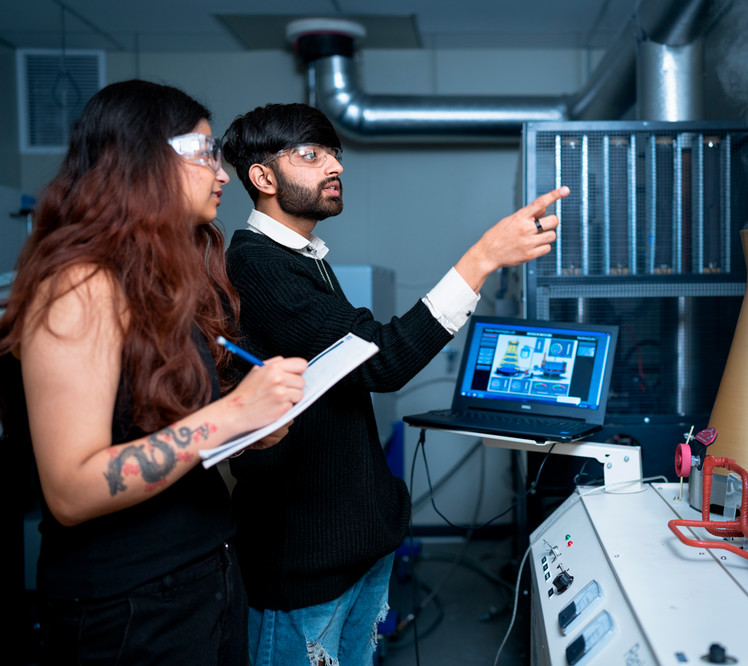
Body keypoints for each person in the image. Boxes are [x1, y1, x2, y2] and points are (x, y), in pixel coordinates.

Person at [221, 102, 567, 665]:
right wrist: (481, 260)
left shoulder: (306, 260)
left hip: (353, 550)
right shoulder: (256, 266)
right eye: (310, 155)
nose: (333, 166)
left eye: (334, 153)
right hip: (304, 568)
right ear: (262, 177)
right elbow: (381, 361)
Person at [0, 80, 308, 665]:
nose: (222, 173)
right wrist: (233, 413)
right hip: (130, 608)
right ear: (140, 158)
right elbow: (69, 490)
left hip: (206, 577)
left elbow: (160, 429)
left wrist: (248, 427)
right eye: (204, 153)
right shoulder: (80, 285)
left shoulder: (160, 285)